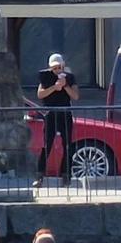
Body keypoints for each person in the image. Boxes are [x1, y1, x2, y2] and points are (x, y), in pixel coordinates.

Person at [36, 52, 79, 183]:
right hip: (50, 114)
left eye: (59, 67)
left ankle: (66, 174)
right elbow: (40, 94)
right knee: (47, 144)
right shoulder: (46, 77)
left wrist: (65, 85)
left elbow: (76, 96)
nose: (57, 70)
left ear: (63, 65)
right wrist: (54, 87)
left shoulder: (70, 78)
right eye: (54, 68)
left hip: (65, 113)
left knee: (67, 145)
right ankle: (40, 174)